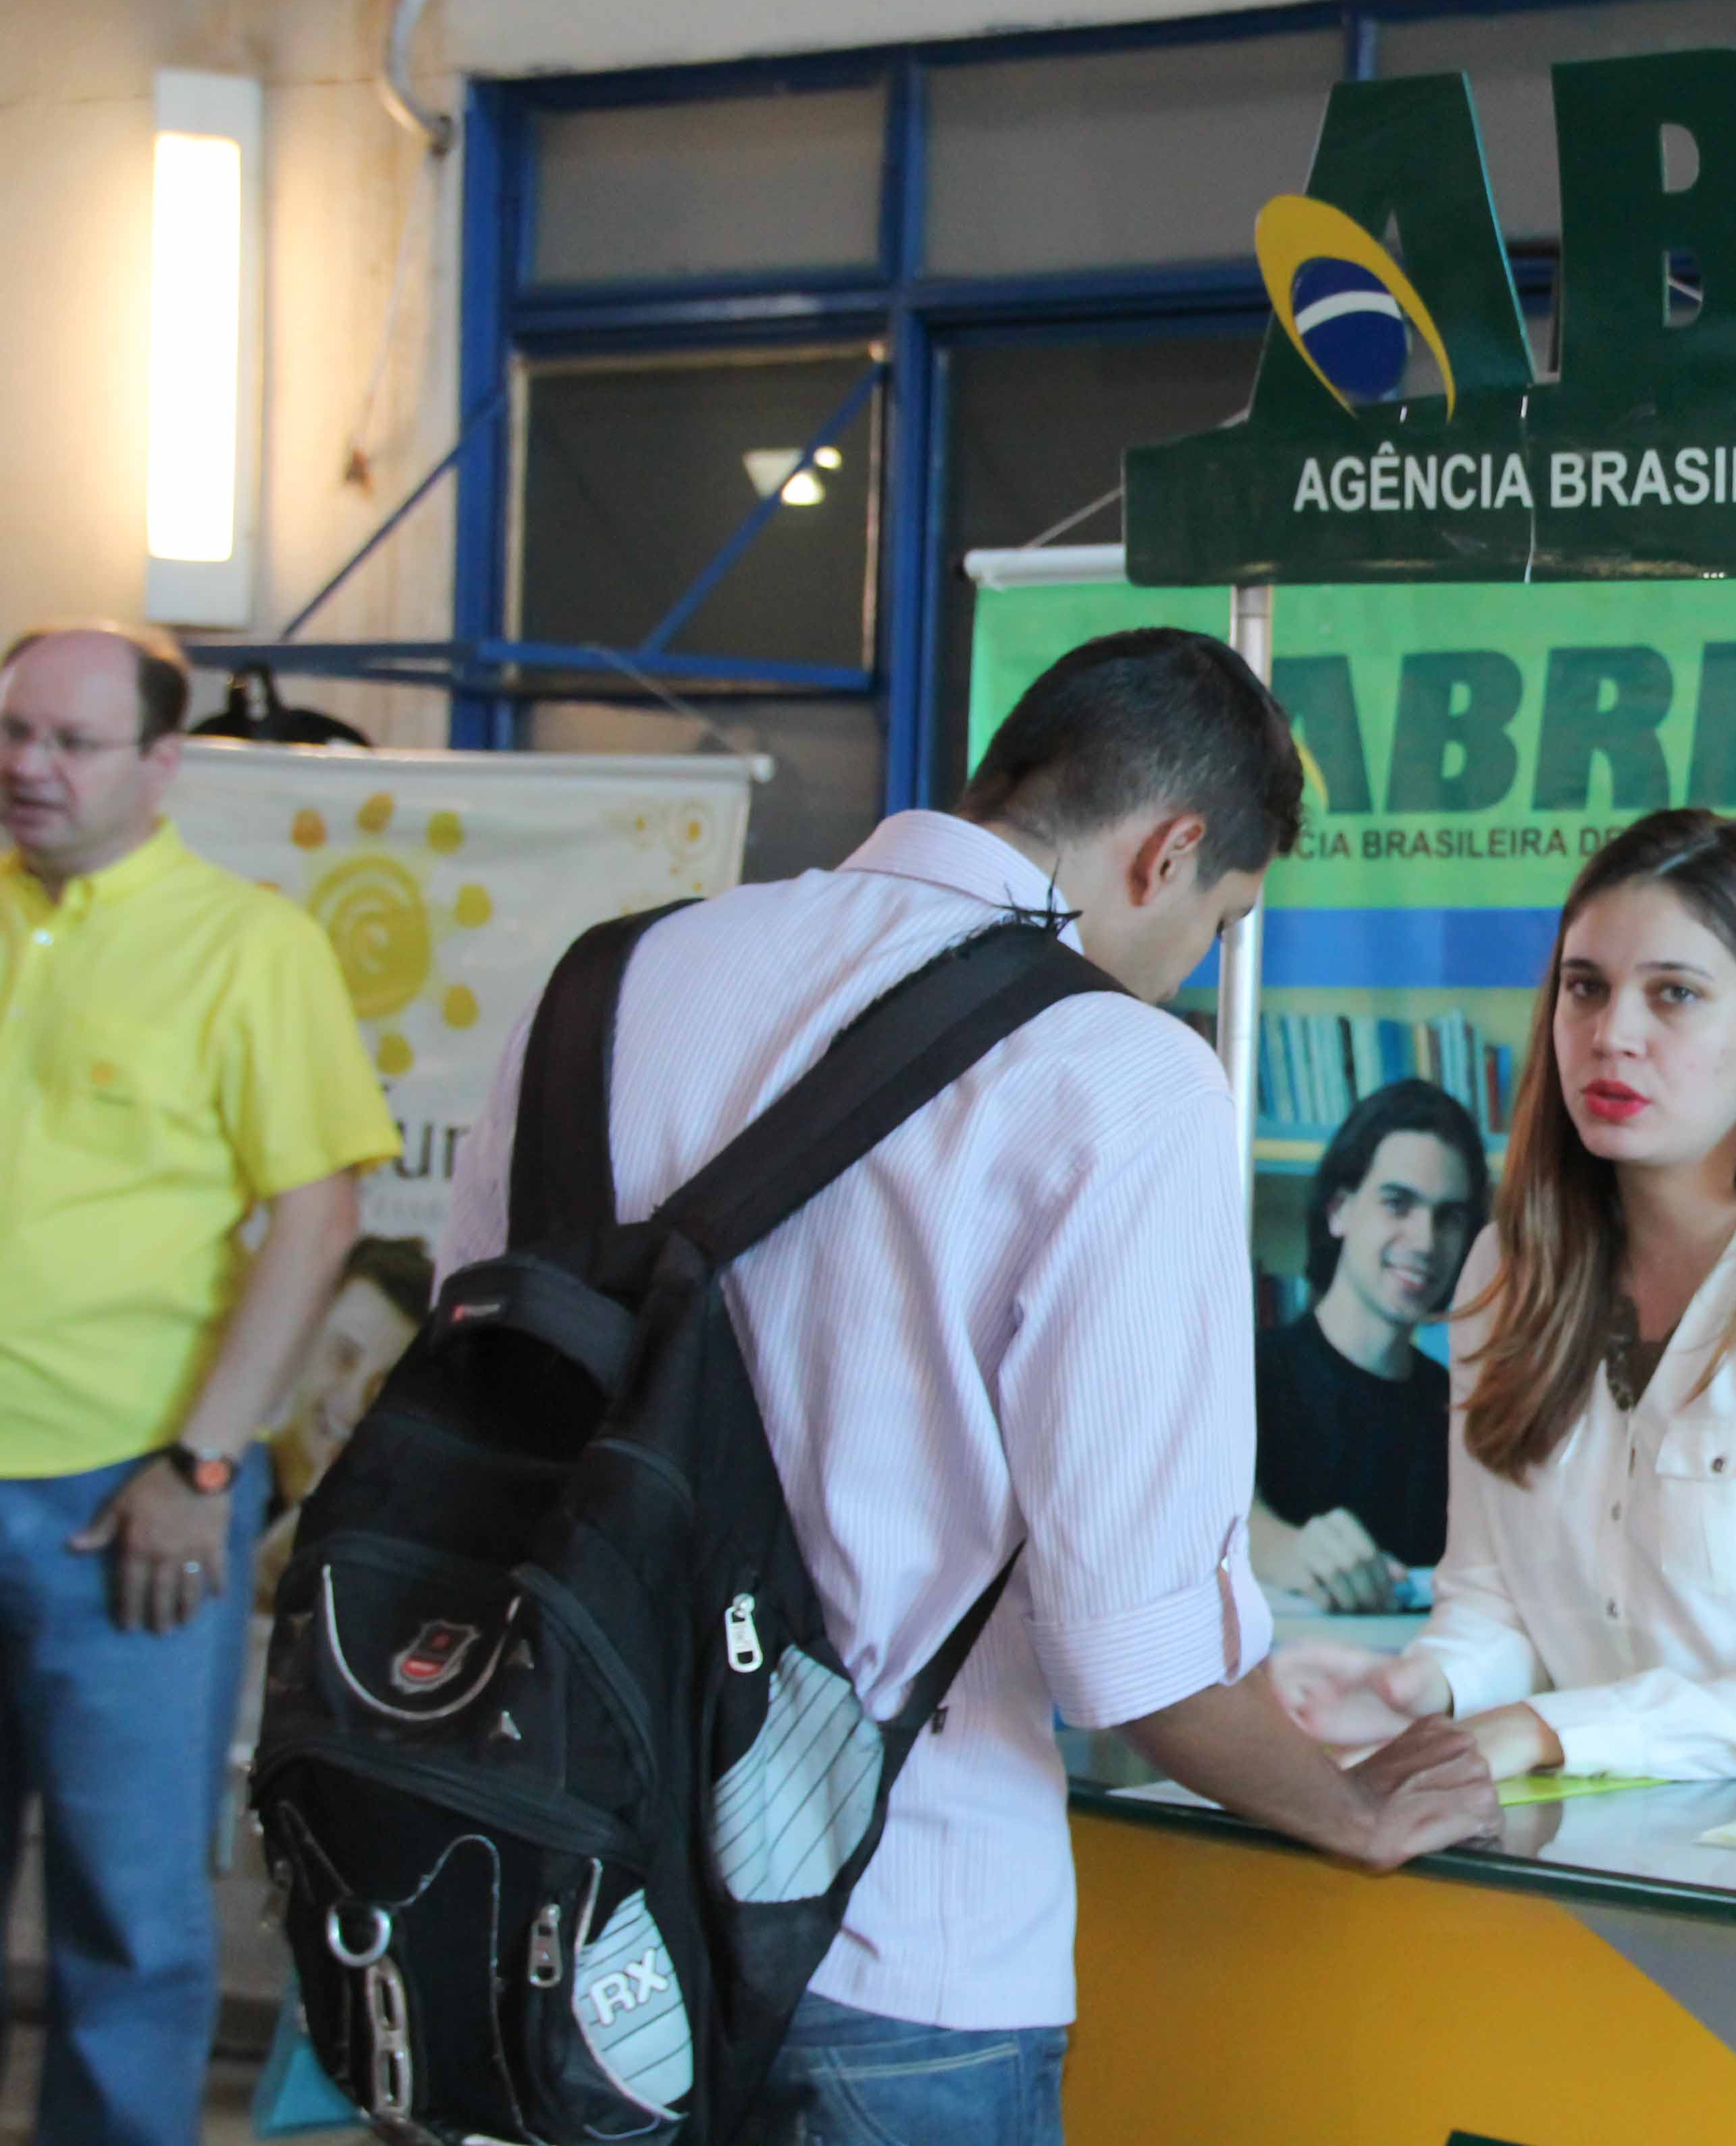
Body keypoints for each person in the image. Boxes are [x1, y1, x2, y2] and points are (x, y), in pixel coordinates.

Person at [440, 628, 1496, 2146]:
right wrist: (1349, 1804)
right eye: (1223, 917)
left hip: (547, 1890)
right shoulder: (1122, 1077)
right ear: (1169, 852)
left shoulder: (607, 982)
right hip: (893, 1947)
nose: (1200, 960)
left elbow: (480, 1389)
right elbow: (1139, 1657)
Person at [1269, 809, 1736, 1787]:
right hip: (1606, 1851)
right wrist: (1417, 1688)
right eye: (1585, 989)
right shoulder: (1502, 1270)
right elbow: (1493, 1610)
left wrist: (1557, 1732)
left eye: (1675, 995)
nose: (1613, 1037)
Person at [0, 623, 398, 2146]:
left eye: (71, 742)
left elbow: (317, 1216)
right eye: (14, 731)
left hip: (124, 1508)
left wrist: (207, 1465)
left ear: (164, 761)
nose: (29, 767)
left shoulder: (248, 948)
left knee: (130, 1925)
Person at [1249, 1078, 1490, 1613]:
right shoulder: (1245, 1374)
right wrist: (1278, 1548)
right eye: (1398, 1204)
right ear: (1338, 1210)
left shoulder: (1467, 1416)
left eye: (1448, 1217)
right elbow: (1194, 1520)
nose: (1425, 1241)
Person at [253, 1233, 435, 1608]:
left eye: (383, 1386)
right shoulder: (217, 1485)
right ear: (303, 1341)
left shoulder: (403, 1538)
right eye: (343, 1357)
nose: (352, 1403)